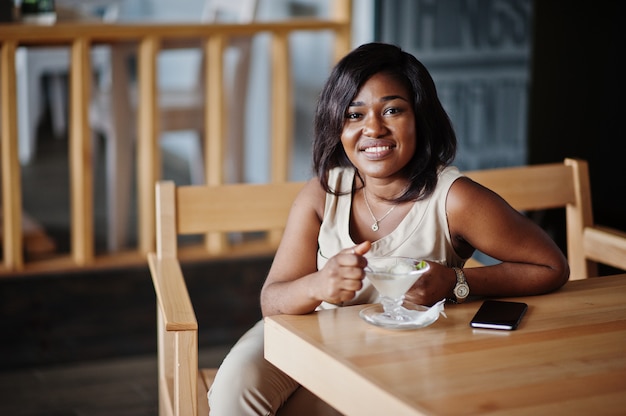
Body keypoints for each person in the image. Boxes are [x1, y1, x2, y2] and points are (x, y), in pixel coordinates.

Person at [208, 42, 569, 415]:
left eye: (393, 110)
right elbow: (273, 302)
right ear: (338, 125)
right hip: (307, 335)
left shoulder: (454, 200)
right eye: (354, 114)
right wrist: (318, 285)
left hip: (397, 356)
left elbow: (550, 267)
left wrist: (455, 282)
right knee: (236, 392)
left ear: (420, 117)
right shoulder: (322, 194)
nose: (373, 129)